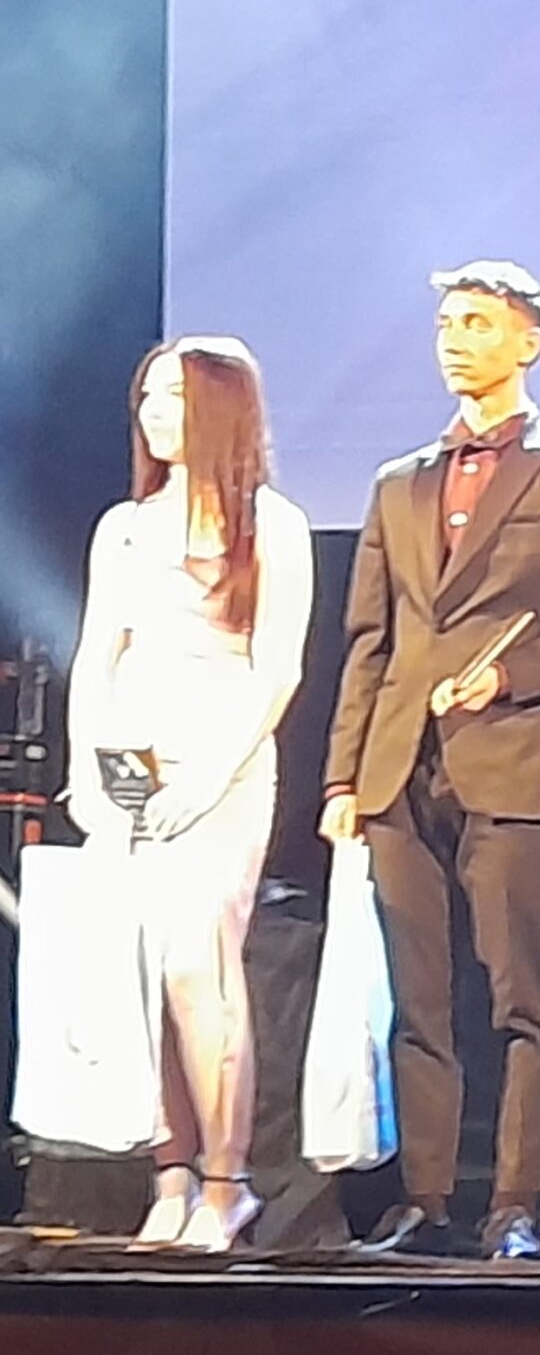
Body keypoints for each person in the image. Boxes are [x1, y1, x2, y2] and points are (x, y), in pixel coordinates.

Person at [322, 262, 540, 1259]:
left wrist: (506, 677)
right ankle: (425, 1199)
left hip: (516, 763)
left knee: (519, 997)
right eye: (448, 324)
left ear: (529, 341)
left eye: (479, 324)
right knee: (420, 1001)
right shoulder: (398, 481)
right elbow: (369, 638)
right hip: (400, 767)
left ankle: (515, 1205)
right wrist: (343, 775)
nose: (456, 341)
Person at [64, 336, 314, 1252]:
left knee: (195, 964)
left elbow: (277, 668)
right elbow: (98, 654)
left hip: (224, 771)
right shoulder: (125, 528)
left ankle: (226, 1179)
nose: (155, 413)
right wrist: (89, 769)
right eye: (147, 397)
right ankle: (169, 1175)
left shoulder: (271, 524)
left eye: (173, 396)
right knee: (143, 973)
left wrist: (209, 776)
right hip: (134, 766)